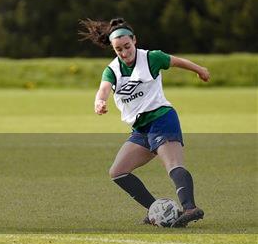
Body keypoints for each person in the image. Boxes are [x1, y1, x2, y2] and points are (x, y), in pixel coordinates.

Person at [80, 17, 209, 228]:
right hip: (141, 129)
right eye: (118, 49)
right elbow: (104, 88)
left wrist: (200, 70)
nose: (124, 52)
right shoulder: (112, 70)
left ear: (134, 41)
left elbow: (177, 61)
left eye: (127, 46)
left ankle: (190, 208)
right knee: (118, 172)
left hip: (162, 119)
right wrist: (99, 101)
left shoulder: (151, 58)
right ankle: (156, 210)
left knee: (173, 165)